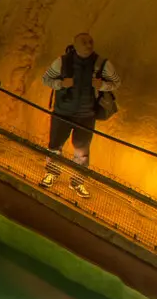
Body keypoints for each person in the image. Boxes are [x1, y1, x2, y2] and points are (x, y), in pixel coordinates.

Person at [38, 33, 120, 198]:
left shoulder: (101, 64)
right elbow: (46, 79)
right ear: (75, 45)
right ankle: (52, 173)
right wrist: (61, 84)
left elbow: (116, 82)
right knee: (55, 146)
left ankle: (77, 181)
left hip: (86, 114)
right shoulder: (62, 62)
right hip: (62, 112)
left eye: (90, 41)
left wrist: (102, 85)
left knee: (82, 151)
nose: (89, 45)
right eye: (84, 42)